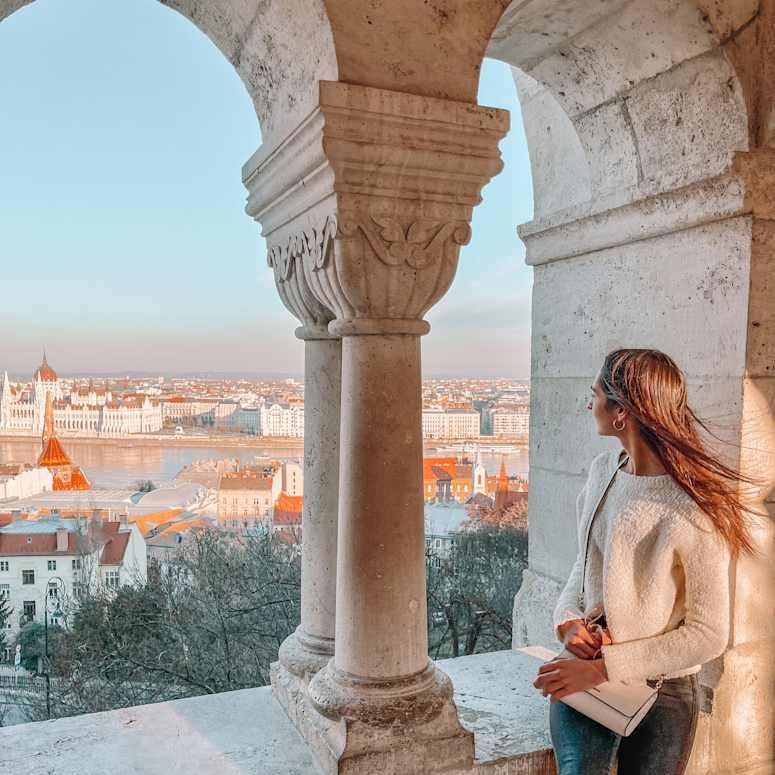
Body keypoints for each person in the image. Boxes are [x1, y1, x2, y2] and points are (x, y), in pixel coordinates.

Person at [532, 348, 765, 775]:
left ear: (622, 412)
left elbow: (709, 633)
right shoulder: (602, 472)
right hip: (587, 671)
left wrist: (606, 668)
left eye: (596, 394)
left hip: (666, 689)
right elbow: (583, 569)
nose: (590, 404)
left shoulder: (691, 508)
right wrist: (566, 620)